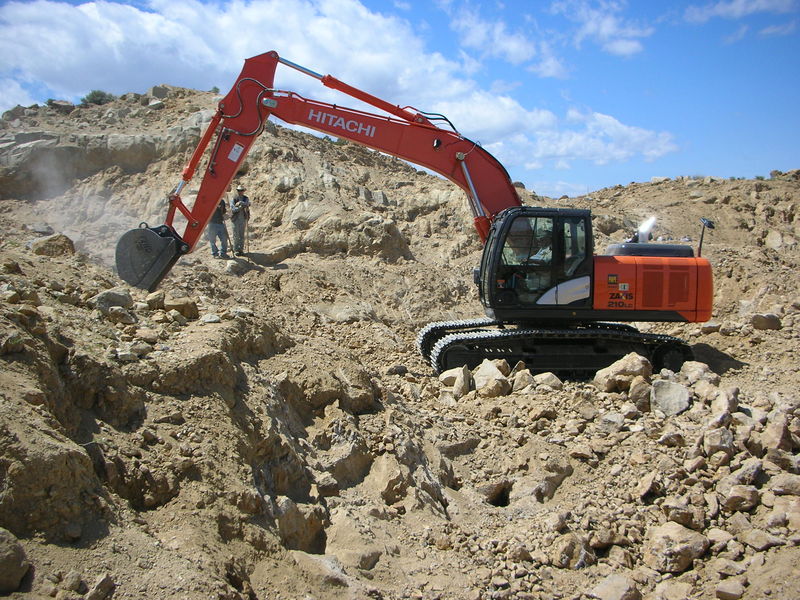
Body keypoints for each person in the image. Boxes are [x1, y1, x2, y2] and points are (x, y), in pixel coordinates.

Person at [230, 184, 251, 256]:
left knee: (242, 235)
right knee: (236, 235)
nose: (240, 192)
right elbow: (233, 209)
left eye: (241, 190)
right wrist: (240, 207)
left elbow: (248, 204)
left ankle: (241, 249)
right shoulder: (234, 199)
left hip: (243, 219)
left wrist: (241, 203)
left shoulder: (245, 198)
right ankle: (236, 250)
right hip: (235, 219)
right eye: (239, 190)